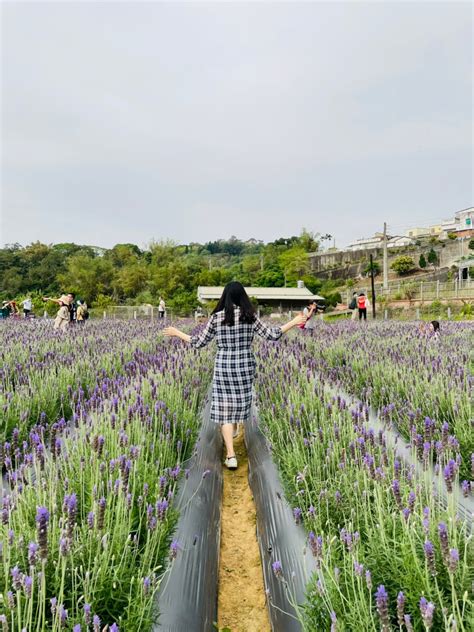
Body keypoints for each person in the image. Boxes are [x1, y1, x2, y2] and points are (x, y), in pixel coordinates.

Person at [163, 281, 306, 470]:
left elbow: (198, 342)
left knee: (224, 409)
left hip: (224, 366)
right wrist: (294, 322)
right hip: (244, 366)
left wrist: (177, 332)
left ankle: (231, 456)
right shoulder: (250, 316)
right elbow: (272, 335)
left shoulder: (217, 318)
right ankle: (235, 430)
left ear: (225, 297)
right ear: (242, 297)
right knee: (240, 402)